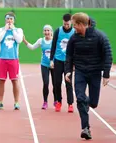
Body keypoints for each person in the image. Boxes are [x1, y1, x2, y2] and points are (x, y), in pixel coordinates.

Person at [65, 12, 112, 140]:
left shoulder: (100, 36)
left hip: (95, 72)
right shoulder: (74, 38)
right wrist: (68, 70)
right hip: (80, 71)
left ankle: (86, 102)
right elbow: (68, 55)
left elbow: (108, 55)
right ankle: (85, 128)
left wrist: (106, 74)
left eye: (75, 25)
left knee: (93, 103)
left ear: (81, 25)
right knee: (80, 98)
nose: (73, 27)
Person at [0, 11, 23, 110]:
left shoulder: (18, 30)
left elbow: (19, 40)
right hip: (2, 58)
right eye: (7, 19)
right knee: (1, 80)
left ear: (14, 20)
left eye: (11, 19)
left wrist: (13, 29)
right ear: (5, 20)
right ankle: (0, 102)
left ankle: (16, 102)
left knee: (15, 81)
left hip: (13, 59)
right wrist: (5, 30)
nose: (9, 21)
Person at [23, 24, 56, 109]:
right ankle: (45, 102)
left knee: (55, 84)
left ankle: (56, 100)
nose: (46, 32)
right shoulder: (41, 41)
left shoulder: (55, 41)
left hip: (54, 65)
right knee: (46, 83)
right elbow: (32, 47)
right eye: (45, 30)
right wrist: (24, 41)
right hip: (44, 64)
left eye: (48, 30)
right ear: (43, 32)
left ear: (51, 32)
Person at [49, 13, 75, 112]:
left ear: (71, 22)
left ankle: (70, 104)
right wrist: (51, 60)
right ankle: (58, 102)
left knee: (69, 83)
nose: (66, 26)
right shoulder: (58, 31)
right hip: (58, 60)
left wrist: (74, 63)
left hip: (68, 62)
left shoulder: (73, 32)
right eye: (64, 24)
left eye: (68, 24)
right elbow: (53, 46)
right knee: (57, 83)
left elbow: (75, 49)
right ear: (62, 22)